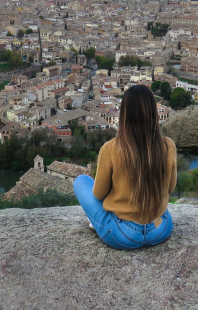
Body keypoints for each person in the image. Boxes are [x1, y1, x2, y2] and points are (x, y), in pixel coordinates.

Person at [73, 85, 177, 250]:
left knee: (81, 181)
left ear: (124, 114)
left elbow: (99, 194)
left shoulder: (110, 148)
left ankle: (100, 222)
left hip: (124, 234)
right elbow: (170, 187)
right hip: (160, 228)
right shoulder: (168, 145)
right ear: (153, 113)